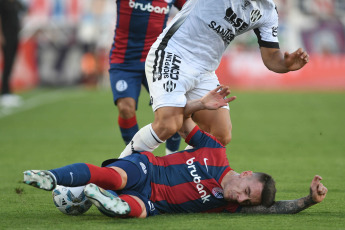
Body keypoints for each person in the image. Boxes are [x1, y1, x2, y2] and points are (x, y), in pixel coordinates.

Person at [23, 86, 327, 218]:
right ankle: (52, 176)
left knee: (138, 212)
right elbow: (180, 121)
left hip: (152, 202)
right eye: (247, 190)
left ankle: (106, 200)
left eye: (248, 200)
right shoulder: (215, 151)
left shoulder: (230, 204)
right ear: (246, 174)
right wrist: (200, 105)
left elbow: (276, 208)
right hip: (147, 168)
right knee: (113, 176)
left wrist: (309, 201)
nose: (242, 198)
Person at [118, 0, 310, 158]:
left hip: (205, 70)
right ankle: (113, 176)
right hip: (173, 54)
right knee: (168, 124)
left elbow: (272, 57)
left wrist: (287, 65)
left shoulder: (268, 10)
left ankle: (171, 177)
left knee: (220, 134)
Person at [109, 0, 186, 155]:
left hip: (156, 59)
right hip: (124, 60)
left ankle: (171, 157)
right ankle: (136, 157)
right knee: (125, 107)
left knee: (172, 107)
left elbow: (191, 10)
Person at [0, 0, 22, 107]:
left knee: (11, 63)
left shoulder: (15, 3)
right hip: (6, 36)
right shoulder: (2, 3)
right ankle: (4, 92)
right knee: (7, 63)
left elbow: (25, 10)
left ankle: (8, 90)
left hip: (15, 35)